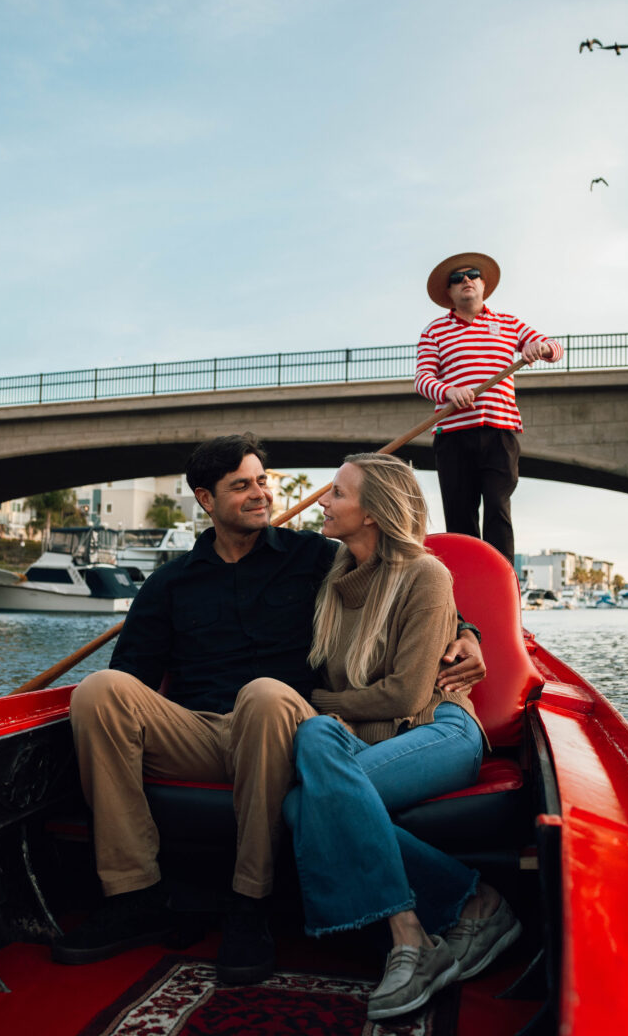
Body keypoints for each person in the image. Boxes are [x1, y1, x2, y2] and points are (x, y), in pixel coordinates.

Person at [56, 434, 486, 986]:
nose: (261, 494)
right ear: (206, 500)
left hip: (283, 725)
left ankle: (248, 901)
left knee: (262, 693)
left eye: (263, 480)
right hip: (201, 733)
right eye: (242, 486)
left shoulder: (315, 557)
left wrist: (468, 633)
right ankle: (134, 893)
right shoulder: (168, 584)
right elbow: (132, 684)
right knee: (98, 690)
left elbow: (401, 581)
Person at [283, 453, 522, 1022]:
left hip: (439, 728)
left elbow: (405, 696)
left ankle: (432, 932)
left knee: (306, 800)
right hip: (365, 739)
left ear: (373, 513)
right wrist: (318, 714)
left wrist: (313, 703)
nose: (323, 501)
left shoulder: (427, 575)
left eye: (338, 494)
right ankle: (441, 918)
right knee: (308, 764)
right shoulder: (330, 577)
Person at [415, 252, 565, 564]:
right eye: (457, 279)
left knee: (498, 508)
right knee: (460, 516)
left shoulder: (509, 324)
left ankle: (502, 583)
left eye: (472, 275)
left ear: (483, 285)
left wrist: (541, 347)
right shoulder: (434, 332)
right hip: (453, 435)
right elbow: (423, 380)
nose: (465, 280)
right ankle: (465, 592)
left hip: (500, 432)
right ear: (449, 293)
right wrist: (450, 391)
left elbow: (554, 349)